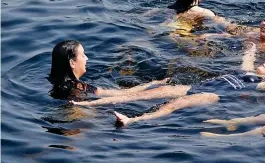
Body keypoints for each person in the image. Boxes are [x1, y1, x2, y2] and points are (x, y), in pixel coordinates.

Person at [109, 42, 265, 126]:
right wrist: (251, 44)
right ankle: (95, 101)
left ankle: (133, 121)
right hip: (200, 85)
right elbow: (249, 52)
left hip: (213, 96)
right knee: (156, 91)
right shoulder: (248, 69)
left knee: (176, 103)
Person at [48, 40, 216, 105]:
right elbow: (120, 94)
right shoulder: (79, 89)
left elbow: (116, 93)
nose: (87, 58)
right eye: (83, 55)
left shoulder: (59, 85)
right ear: (72, 62)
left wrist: (153, 84)